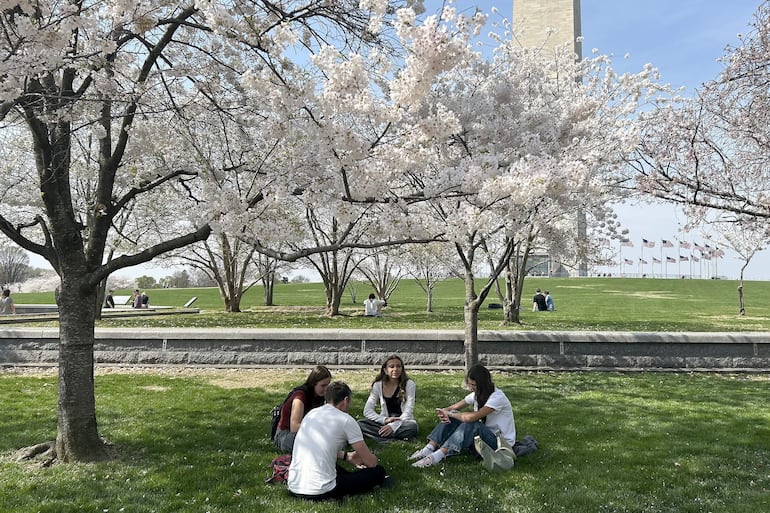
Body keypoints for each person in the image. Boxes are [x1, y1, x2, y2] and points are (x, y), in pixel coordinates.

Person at [288, 381, 386, 501]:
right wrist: (371, 459)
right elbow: (371, 463)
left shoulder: (311, 414)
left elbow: (319, 447)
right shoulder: (346, 420)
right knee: (378, 472)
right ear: (346, 400)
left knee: (332, 467)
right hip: (322, 492)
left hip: (294, 487)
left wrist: (347, 456)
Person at [409, 364, 516, 469]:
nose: (471, 388)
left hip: (499, 445)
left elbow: (471, 418)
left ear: (483, 384)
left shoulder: (497, 398)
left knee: (472, 424)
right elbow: (454, 407)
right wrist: (445, 412)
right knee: (454, 416)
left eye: (474, 385)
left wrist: (451, 413)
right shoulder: (478, 394)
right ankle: (428, 449)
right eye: (470, 384)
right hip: (482, 439)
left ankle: (436, 457)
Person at [358, 355, 418, 442]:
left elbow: (408, 412)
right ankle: (393, 438)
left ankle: (380, 437)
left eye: (398, 366)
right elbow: (367, 411)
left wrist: (392, 426)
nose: (395, 369)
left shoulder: (409, 384)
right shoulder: (378, 385)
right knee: (360, 424)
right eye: (391, 366)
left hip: (403, 422)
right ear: (385, 370)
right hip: (385, 422)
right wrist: (385, 420)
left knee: (412, 427)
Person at [274, 365, 333, 453]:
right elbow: (295, 427)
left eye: (328, 385)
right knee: (314, 443)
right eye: (323, 385)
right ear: (313, 384)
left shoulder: (320, 396)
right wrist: (318, 432)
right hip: (286, 434)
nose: (326, 389)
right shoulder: (300, 396)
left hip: (306, 432)